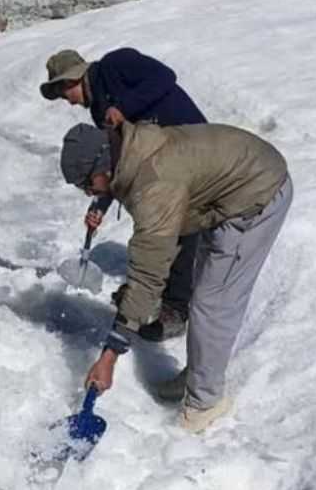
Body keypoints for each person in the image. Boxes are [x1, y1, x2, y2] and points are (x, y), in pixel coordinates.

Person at [58, 120, 291, 432]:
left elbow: (147, 273)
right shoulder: (129, 150)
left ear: (103, 166)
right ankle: (200, 373)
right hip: (228, 187)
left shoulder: (153, 185)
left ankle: (205, 402)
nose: (87, 192)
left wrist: (110, 354)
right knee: (206, 290)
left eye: (87, 183)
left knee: (214, 302)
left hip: (255, 193)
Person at [41, 48, 207, 340]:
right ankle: (148, 295)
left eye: (64, 95)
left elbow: (165, 77)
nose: (68, 103)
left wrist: (124, 107)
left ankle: (176, 309)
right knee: (154, 224)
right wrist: (100, 206)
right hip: (156, 164)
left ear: (71, 81)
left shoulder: (117, 64)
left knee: (181, 224)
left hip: (192, 146)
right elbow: (113, 160)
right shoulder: (97, 110)